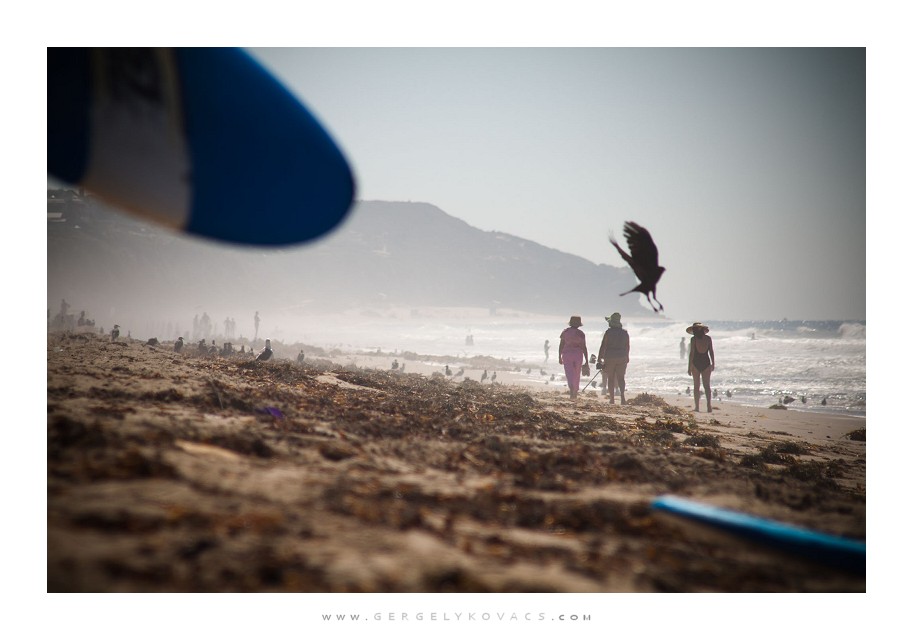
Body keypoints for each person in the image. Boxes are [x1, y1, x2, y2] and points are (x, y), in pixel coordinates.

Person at [598, 312, 630, 405]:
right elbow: (627, 346)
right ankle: (622, 398)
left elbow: (603, 346)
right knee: (621, 378)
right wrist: (627, 356)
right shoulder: (625, 333)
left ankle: (612, 399)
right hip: (622, 357)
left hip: (610, 357)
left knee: (610, 378)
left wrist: (600, 357)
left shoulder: (608, 332)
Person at [687, 322, 715, 412]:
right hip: (706, 363)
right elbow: (711, 352)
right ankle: (708, 405)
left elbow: (692, 354)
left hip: (696, 363)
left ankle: (697, 407)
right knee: (706, 385)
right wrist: (713, 363)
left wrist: (689, 366)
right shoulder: (708, 339)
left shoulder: (693, 339)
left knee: (697, 386)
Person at [558, 316, 589, 399]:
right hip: (578, 355)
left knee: (569, 373)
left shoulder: (565, 332)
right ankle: (575, 391)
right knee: (576, 373)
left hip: (567, 354)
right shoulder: (581, 334)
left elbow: (561, 345)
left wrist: (559, 357)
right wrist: (587, 360)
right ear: (579, 324)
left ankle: (571, 388)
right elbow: (584, 347)